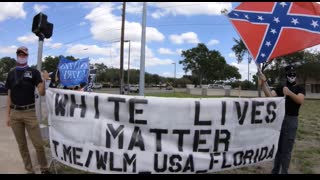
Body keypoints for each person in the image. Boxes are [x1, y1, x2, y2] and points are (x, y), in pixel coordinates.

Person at [5, 46, 50, 174]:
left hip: (29, 113)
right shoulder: (11, 73)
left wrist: (45, 81)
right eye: (19, 54)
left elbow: (41, 93)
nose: (21, 56)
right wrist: (7, 116)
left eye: (24, 54)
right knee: (22, 146)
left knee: (39, 144)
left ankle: (44, 168)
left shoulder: (34, 72)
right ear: (17, 55)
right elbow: (9, 96)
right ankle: (29, 170)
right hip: (15, 114)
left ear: (27, 56)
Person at [259, 65, 305, 174]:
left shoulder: (300, 88)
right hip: (279, 120)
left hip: (291, 120)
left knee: (286, 150)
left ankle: (284, 172)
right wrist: (264, 83)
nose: (292, 76)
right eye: (290, 74)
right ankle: (275, 171)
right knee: (278, 149)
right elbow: (270, 97)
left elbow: (300, 100)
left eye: (294, 74)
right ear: (286, 75)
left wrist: (289, 93)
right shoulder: (280, 87)